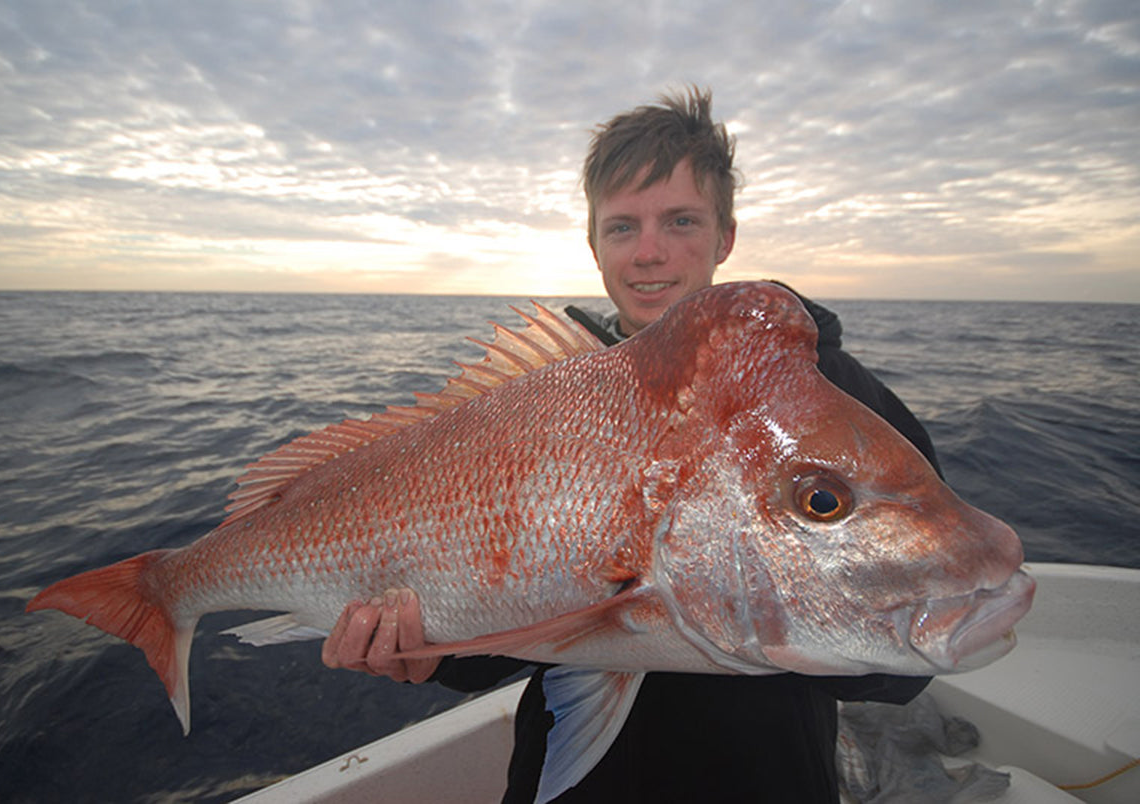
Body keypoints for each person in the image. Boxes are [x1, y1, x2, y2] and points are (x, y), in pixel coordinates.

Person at [322, 88, 938, 802]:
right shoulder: (540, 397)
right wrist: (429, 657)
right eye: (622, 228)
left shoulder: (827, 393)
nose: (649, 253)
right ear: (593, 244)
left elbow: (915, 642)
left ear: (725, 236)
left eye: (680, 221)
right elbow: (503, 629)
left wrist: (830, 629)